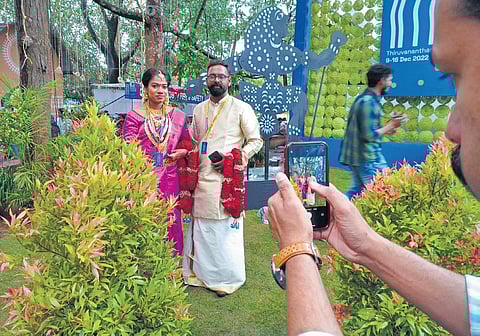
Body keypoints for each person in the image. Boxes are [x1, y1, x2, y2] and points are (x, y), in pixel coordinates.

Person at [266, 2, 480, 335]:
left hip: (365, 156)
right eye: (454, 77)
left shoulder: (371, 99)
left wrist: (299, 247)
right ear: (381, 80)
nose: (451, 129)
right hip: (366, 155)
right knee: (364, 190)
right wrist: (363, 245)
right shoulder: (367, 101)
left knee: (354, 194)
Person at [182, 59, 263, 297]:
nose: (216, 80)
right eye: (212, 76)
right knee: (203, 228)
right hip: (201, 178)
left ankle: (227, 279)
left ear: (229, 81)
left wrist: (236, 158)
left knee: (225, 230)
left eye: (220, 76)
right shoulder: (198, 110)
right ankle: (203, 275)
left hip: (226, 178)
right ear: (206, 81)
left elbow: (255, 141)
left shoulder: (241, 108)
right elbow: (195, 143)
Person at [123, 67, 191, 256]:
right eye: (155, 86)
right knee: (147, 219)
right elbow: (128, 150)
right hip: (144, 178)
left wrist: (182, 152)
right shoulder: (134, 116)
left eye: (164, 86)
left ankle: (171, 268)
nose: (160, 91)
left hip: (170, 177)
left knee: (172, 220)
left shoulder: (177, 115)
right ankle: (146, 268)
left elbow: (188, 143)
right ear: (145, 88)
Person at [339, 64, 401, 200]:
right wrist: (391, 125)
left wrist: (392, 126)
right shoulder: (368, 102)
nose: (391, 84)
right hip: (368, 158)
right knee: (380, 193)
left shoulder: (365, 99)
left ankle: (335, 213)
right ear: (381, 81)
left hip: (360, 157)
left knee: (356, 191)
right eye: (390, 80)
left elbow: (370, 131)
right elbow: (369, 135)